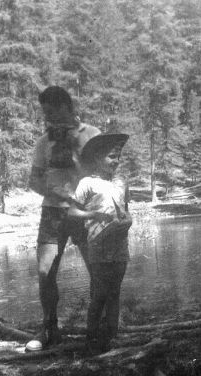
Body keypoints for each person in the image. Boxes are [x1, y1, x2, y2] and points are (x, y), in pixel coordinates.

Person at [28, 86, 100, 349]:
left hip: (85, 210)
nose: (47, 118)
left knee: (97, 270)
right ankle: (49, 328)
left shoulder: (91, 135)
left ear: (66, 108)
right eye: (44, 113)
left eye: (50, 112)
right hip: (53, 212)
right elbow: (33, 180)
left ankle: (98, 327)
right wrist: (51, 191)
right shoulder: (43, 142)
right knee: (45, 271)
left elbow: (103, 174)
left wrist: (74, 149)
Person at [68, 133, 132, 353]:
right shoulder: (87, 183)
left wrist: (127, 221)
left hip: (119, 244)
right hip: (97, 244)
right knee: (100, 293)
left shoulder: (122, 182)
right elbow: (71, 211)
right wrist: (92, 215)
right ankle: (92, 337)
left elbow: (125, 208)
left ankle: (112, 336)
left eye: (118, 157)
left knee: (115, 292)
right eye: (111, 157)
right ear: (97, 159)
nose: (116, 161)